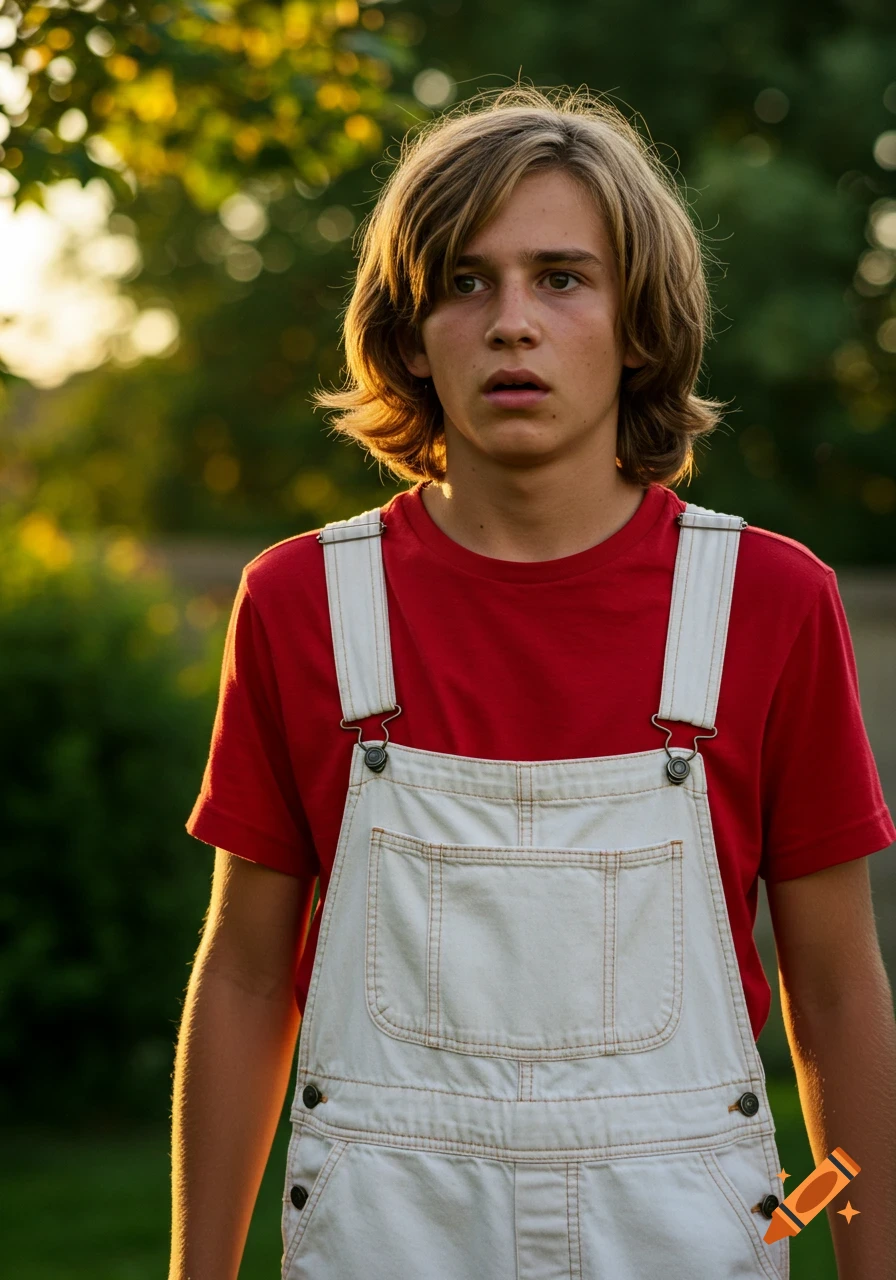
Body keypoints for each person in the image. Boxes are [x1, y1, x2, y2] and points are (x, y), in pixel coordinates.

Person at [169, 85, 896, 1280]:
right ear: (407, 334)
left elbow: (833, 989)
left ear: (638, 324)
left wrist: (864, 1261)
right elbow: (247, 971)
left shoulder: (769, 600)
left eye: (561, 277)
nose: (512, 322)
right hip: (375, 1234)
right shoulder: (302, 602)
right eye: (464, 280)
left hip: (692, 1233)